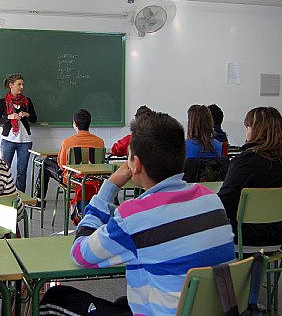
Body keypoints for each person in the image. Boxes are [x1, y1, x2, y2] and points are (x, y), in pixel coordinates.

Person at [40, 111, 235, 315]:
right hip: (208, 309)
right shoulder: (212, 201)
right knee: (124, 301)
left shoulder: (134, 217)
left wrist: (110, 185)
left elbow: (80, 254)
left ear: (135, 164)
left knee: (56, 298)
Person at [218, 106, 282, 246]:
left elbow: (224, 204)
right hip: (280, 236)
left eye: (247, 127)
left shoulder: (244, 163)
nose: (246, 132)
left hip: (243, 237)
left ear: (256, 130)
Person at [35, 109, 104, 203]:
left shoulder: (67, 142)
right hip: (94, 181)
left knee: (45, 166)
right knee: (47, 161)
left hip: (72, 181)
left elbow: (62, 165)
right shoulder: (100, 142)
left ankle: (39, 200)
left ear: (75, 124)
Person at [0, 73, 37, 192]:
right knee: (4, 170)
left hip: (25, 141)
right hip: (8, 140)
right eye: (19, 84)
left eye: (23, 84)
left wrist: (27, 114)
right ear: (11, 85)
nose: (22, 87)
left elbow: (34, 119)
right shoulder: (2, 102)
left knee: (22, 172)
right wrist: (9, 117)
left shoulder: (27, 101)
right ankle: (3, 194)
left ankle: (21, 199)